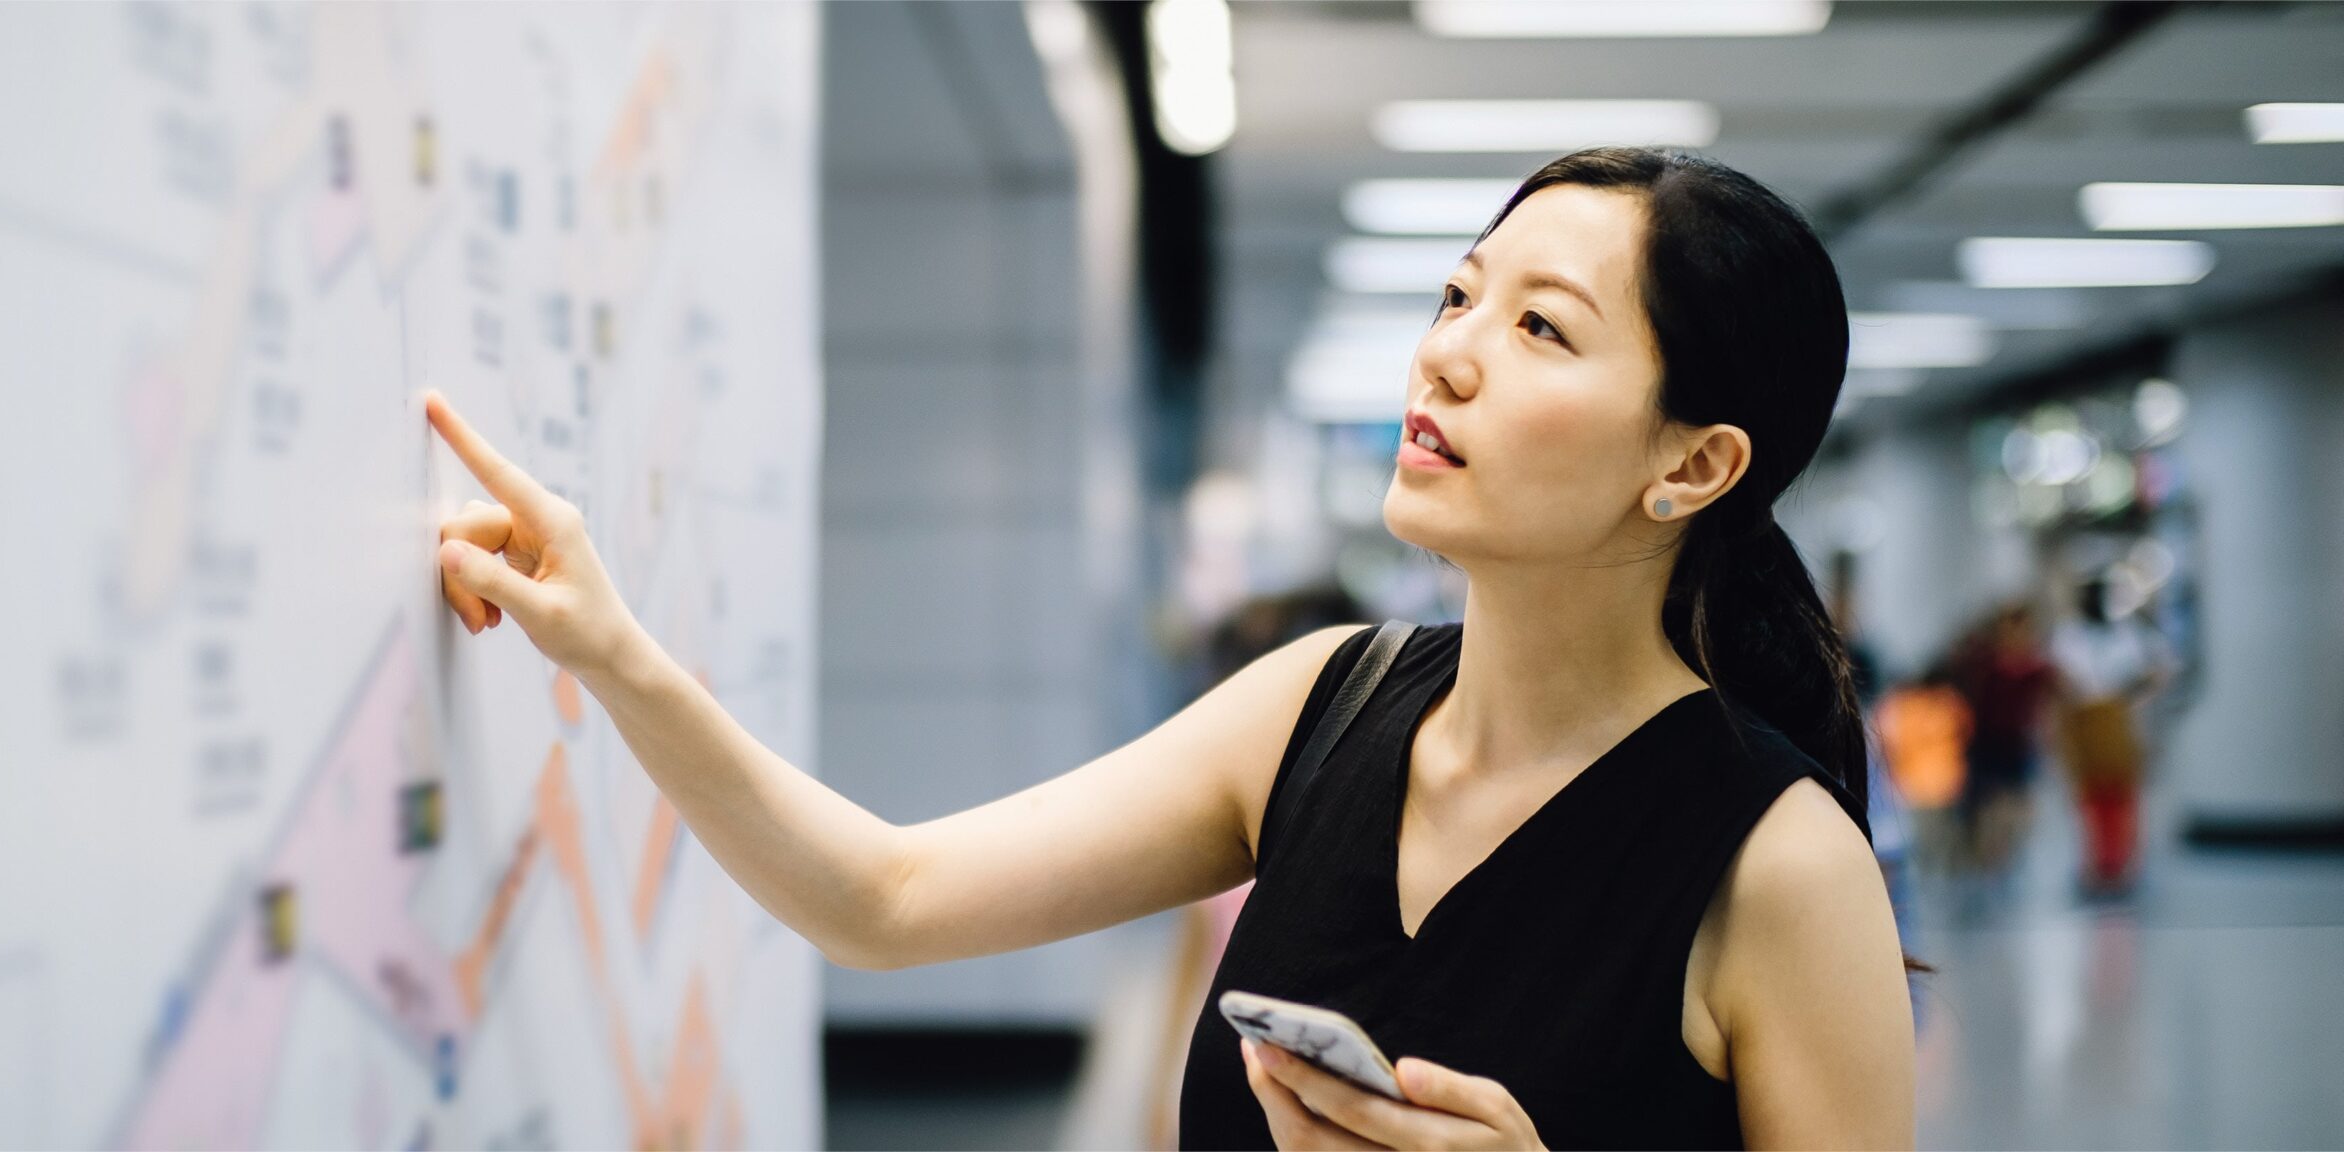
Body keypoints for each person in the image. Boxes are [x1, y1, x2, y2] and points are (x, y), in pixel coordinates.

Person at [420, 145, 1913, 1150]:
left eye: (1543, 330)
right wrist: (614, 651)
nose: (1447, 350)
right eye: (1459, 291)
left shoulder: (1777, 866)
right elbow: (885, 898)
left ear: (1696, 467)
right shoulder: (1320, 707)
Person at [2049, 576, 2174, 896]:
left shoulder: (2128, 635)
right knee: (2089, 802)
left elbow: (2160, 669)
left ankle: (2124, 867)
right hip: (2083, 724)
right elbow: (2060, 680)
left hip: (2120, 721)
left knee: (2122, 798)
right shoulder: (2069, 637)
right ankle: (2094, 866)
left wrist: (2131, 697)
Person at [1955, 604, 2055, 879]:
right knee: (1989, 807)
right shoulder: (1986, 662)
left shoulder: (2036, 668)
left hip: (2017, 744)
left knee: (2015, 807)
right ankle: (1988, 861)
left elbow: (2049, 699)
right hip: (1987, 742)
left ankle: (2003, 857)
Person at [1874, 662, 1973, 876]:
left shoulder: (1901, 705)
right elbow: (1966, 733)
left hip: (1912, 787)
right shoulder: (1950, 702)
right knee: (1937, 845)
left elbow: (1886, 742)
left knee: (1918, 847)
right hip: (1942, 786)